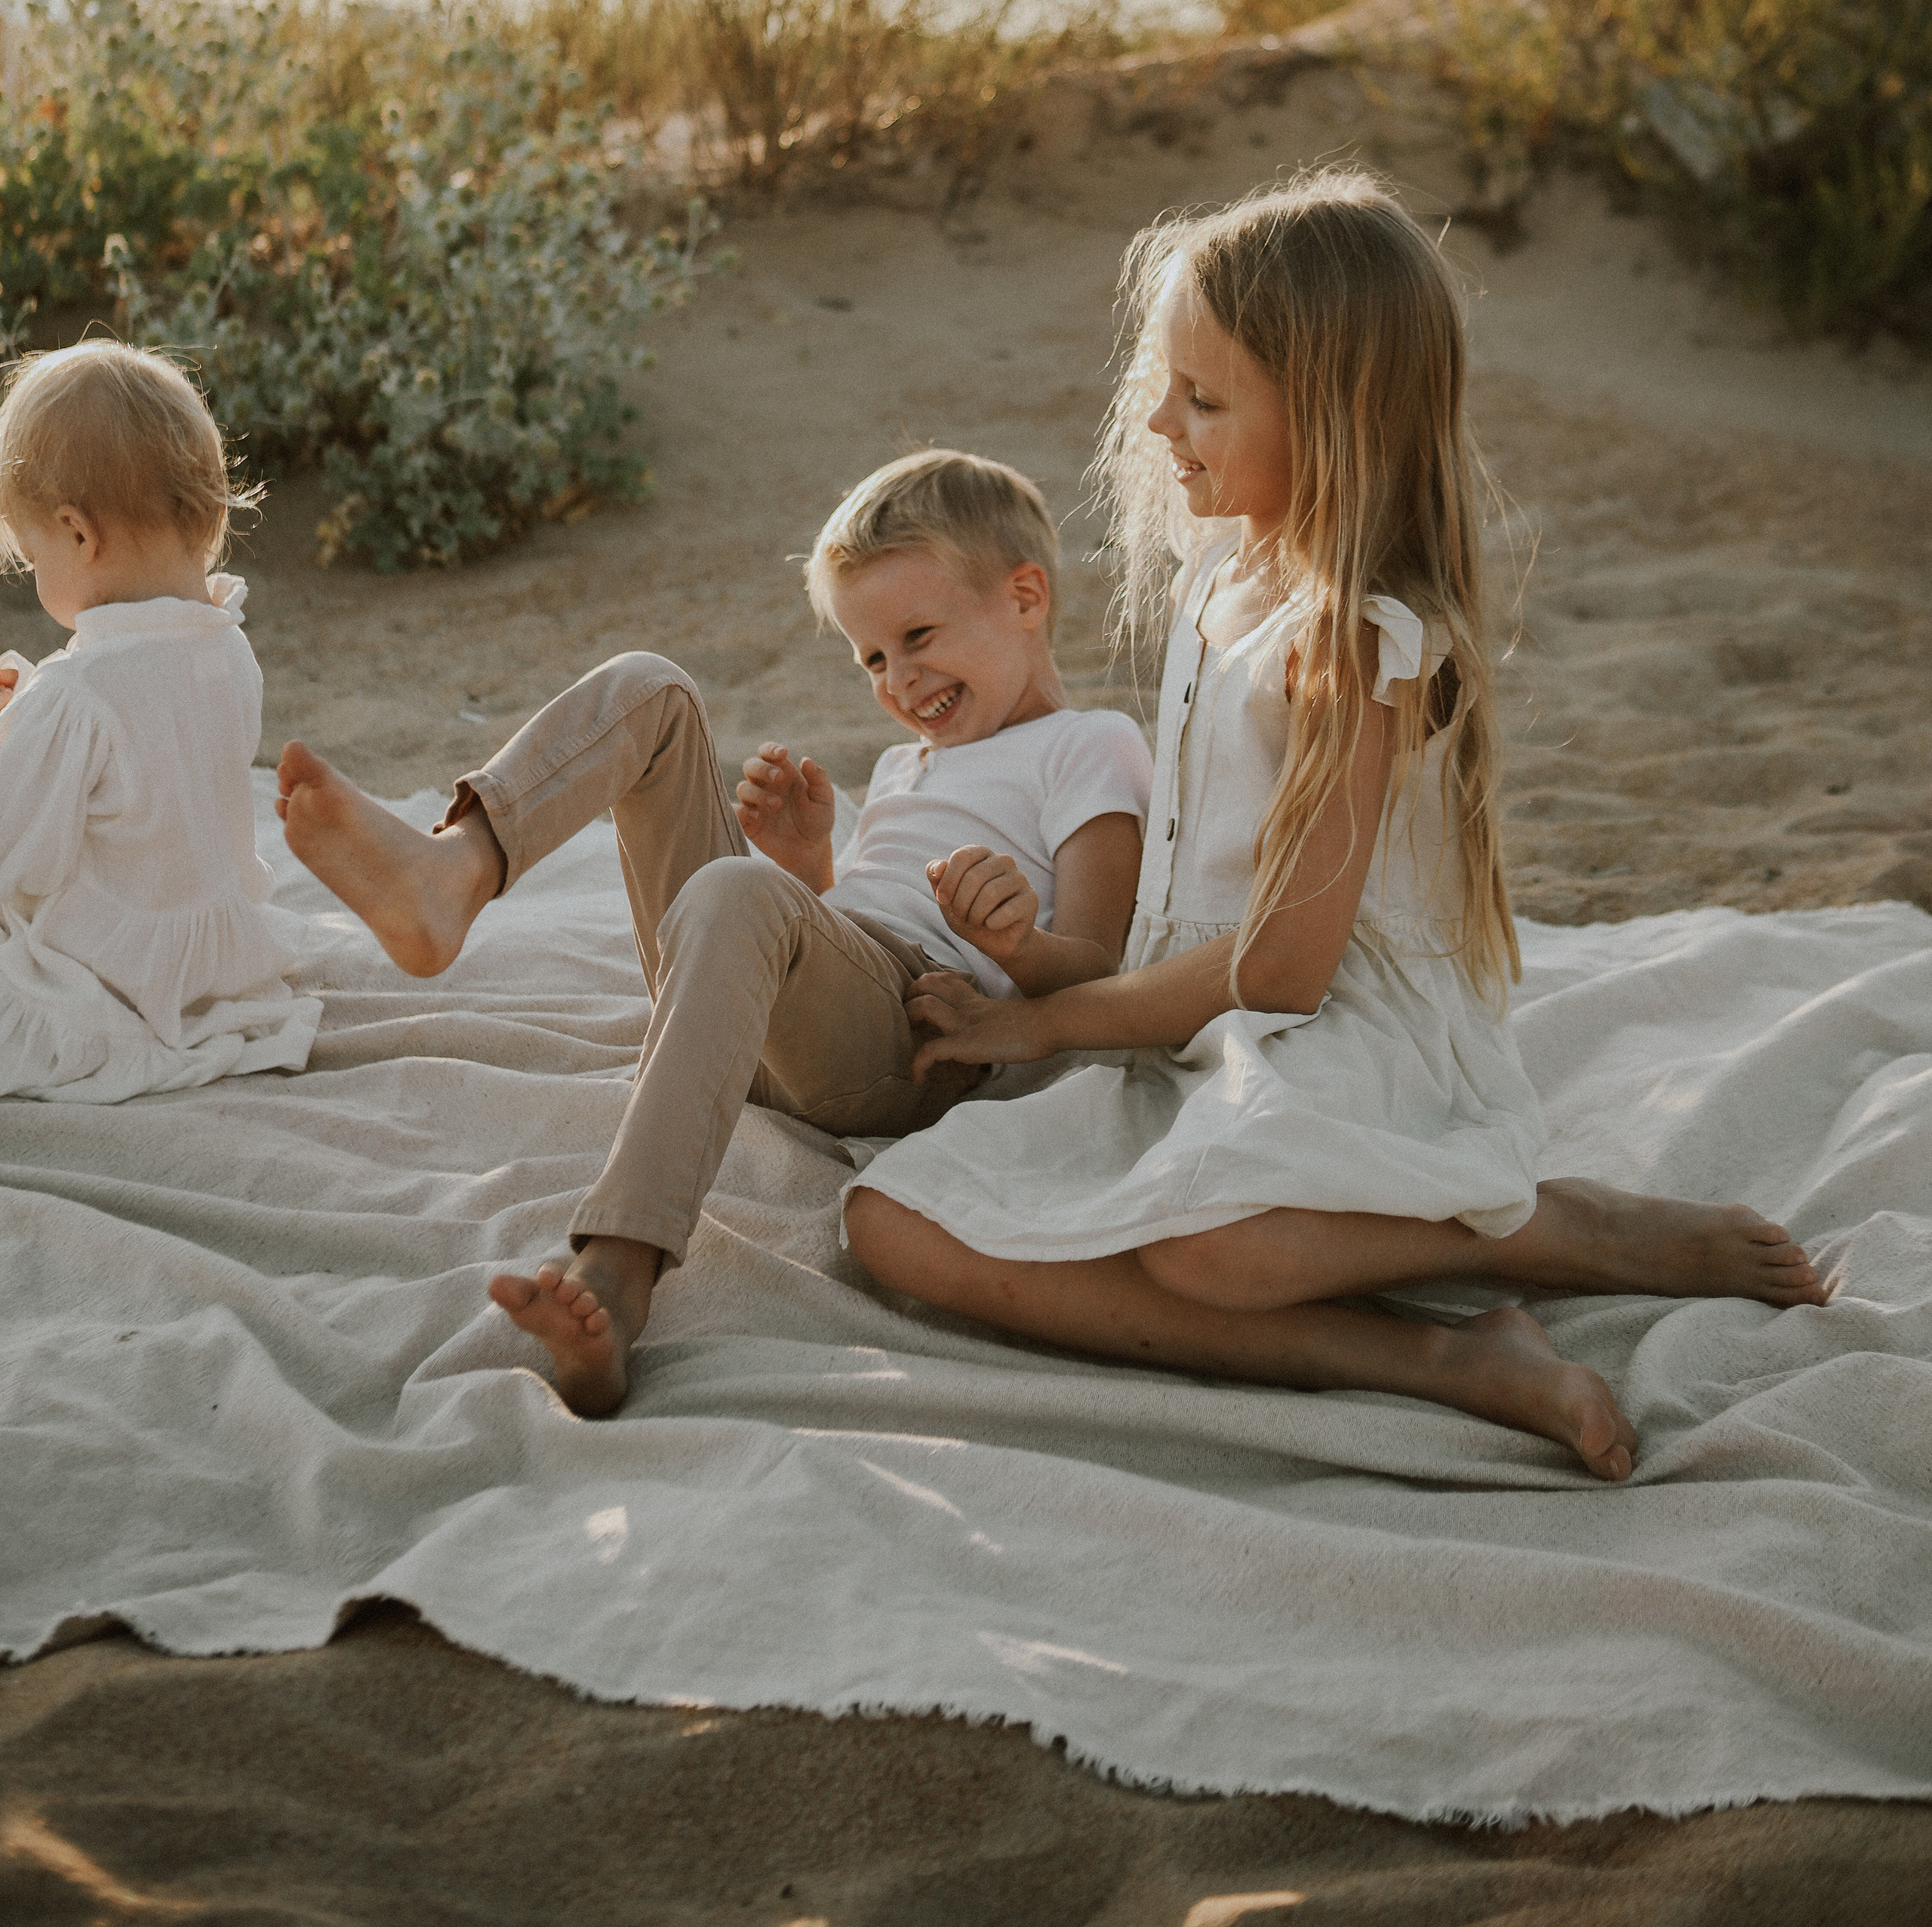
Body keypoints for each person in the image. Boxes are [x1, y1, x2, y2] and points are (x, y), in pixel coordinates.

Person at [844, 177, 1827, 1480]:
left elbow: (1288, 966)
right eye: (1168, 386)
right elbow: (1179, 895)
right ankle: (1439, 1357)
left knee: (1216, 1247)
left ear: (1334, 413)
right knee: (892, 1227)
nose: (1159, 424)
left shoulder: (1358, 647)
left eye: (1205, 399)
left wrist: (1052, 1021)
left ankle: (1552, 1229)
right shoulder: (1220, 568)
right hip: (1192, 1023)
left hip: (1337, 1033)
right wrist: (1049, 966)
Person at [276, 448, 1152, 1414]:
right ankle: (456, 869)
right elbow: (839, 925)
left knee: (735, 891)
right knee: (651, 689)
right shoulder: (907, 768)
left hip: (919, 1037)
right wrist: (810, 864)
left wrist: (1018, 946)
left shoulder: (1091, 745)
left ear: (1025, 597)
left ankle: (616, 1271)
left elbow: (1100, 966)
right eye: (870, 657)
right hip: (776, 998)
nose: (898, 679)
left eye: (917, 634)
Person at [0, 341, 320, 1100]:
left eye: (33, 556)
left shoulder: (77, 698)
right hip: (212, 964)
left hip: (110, 979)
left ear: (78, 534)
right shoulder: (229, 650)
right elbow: (148, 764)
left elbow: (17, 854)